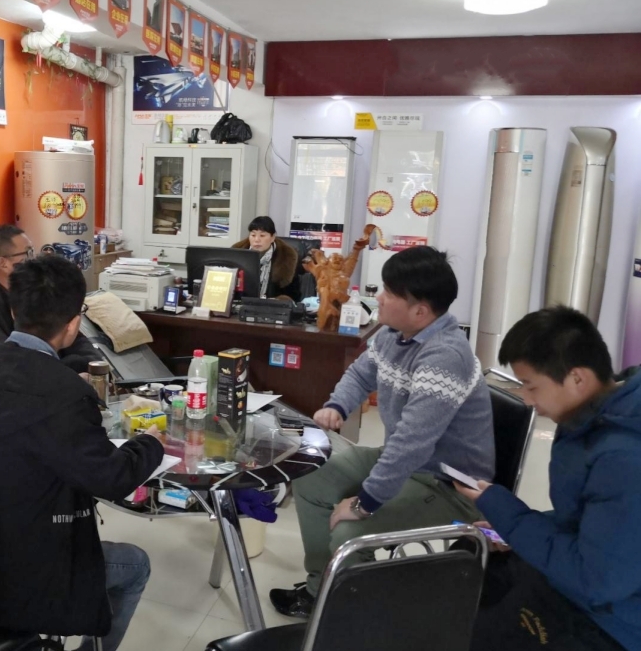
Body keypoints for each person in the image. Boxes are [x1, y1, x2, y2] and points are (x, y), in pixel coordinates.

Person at [0, 255, 165, 650]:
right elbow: (113, 478)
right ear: (73, 324)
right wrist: (151, 442)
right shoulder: (66, 393)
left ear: (14, 311)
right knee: (136, 565)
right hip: (14, 579)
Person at [270, 245, 495, 617]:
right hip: (409, 465)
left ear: (420, 311)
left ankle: (353, 613)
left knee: (350, 532)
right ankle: (321, 590)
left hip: (447, 485)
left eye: (389, 292)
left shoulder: (444, 356)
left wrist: (364, 503)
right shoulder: (395, 334)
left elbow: (412, 443)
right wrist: (336, 405)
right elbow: (362, 374)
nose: (379, 297)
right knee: (308, 471)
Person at [456, 307, 641, 651]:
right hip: (590, 585)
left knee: (471, 626)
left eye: (531, 386)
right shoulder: (591, 417)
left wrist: (511, 518)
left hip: (612, 621)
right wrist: (513, 527)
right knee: (467, 558)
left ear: (577, 378)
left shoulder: (624, 457)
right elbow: (594, 521)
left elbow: (597, 579)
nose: (526, 399)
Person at [0, 224, 101, 371]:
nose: (32, 258)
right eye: (27, 253)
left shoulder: (42, 290)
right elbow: (5, 359)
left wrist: (92, 368)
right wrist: (68, 373)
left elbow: (76, 339)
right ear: (3, 263)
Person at [231, 216, 302, 302]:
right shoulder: (237, 253)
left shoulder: (286, 257)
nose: (257, 240)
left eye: (262, 235)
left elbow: (294, 296)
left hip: (272, 307)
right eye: (253, 235)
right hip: (241, 305)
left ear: (272, 237)